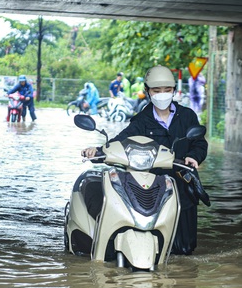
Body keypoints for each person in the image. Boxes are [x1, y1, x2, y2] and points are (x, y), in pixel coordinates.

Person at [82, 65, 208, 255]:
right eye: (157, 91)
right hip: (151, 184)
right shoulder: (141, 120)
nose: (162, 95)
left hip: (182, 182)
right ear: (148, 92)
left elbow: (199, 143)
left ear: (173, 90)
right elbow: (122, 141)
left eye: (167, 90)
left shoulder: (187, 116)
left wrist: (193, 157)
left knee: (185, 250)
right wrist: (98, 151)